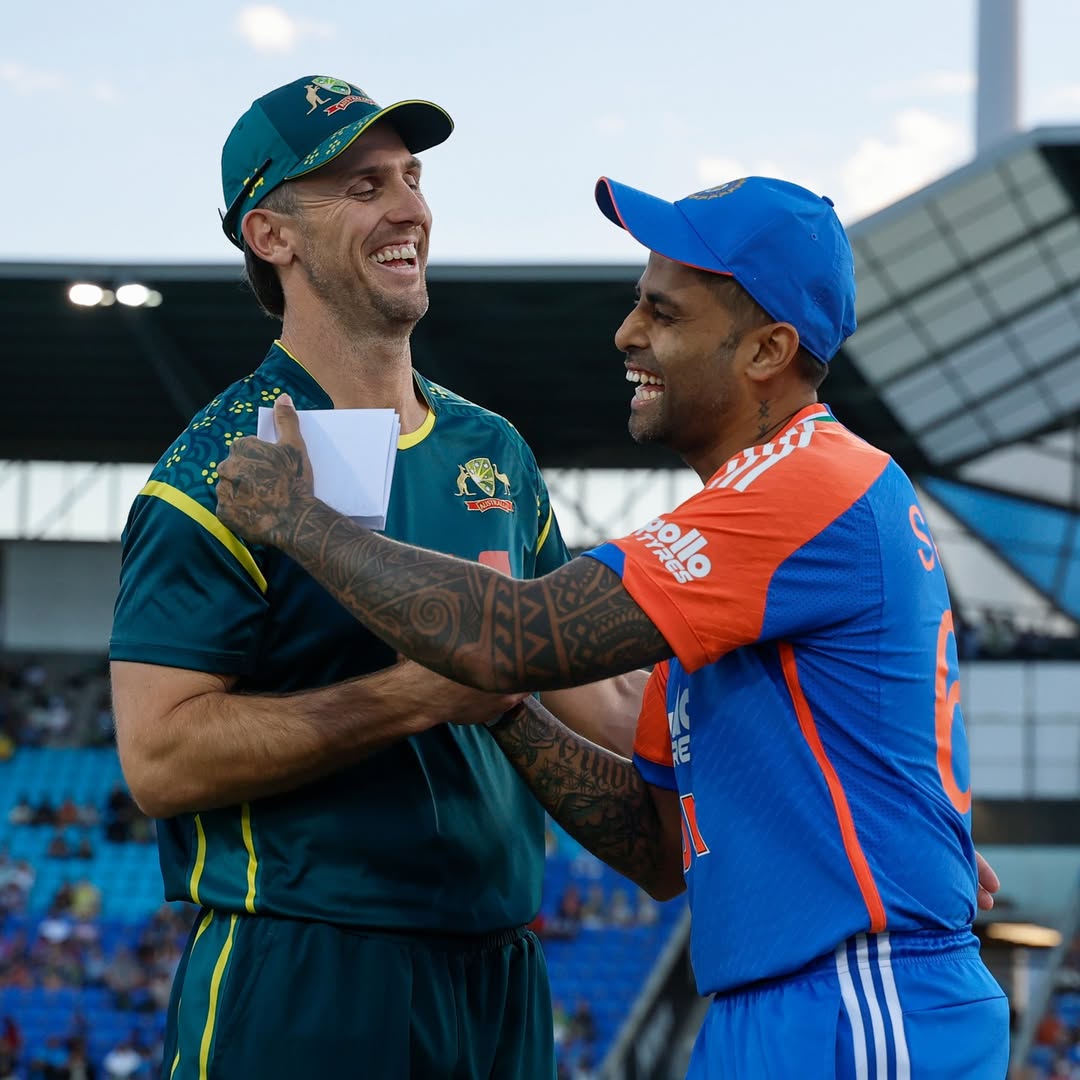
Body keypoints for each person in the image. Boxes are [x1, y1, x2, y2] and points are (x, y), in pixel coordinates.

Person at [216, 174, 1011, 1077]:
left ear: (766, 351)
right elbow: (660, 846)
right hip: (779, 1007)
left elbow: (515, 633)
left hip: (860, 999)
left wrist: (302, 522)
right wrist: (509, 713)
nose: (627, 333)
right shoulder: (732, 561)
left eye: (663, 314)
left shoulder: (807, 484)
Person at [109, 73, 644, 1080]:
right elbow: (161, 759)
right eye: (361, 186)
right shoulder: (218, 467)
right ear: (273, 234)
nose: (409, 209)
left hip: (499, 972)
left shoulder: (494, 449)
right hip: (309, 967)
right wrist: (410, 695)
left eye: (410, 176)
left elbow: (607, 699)